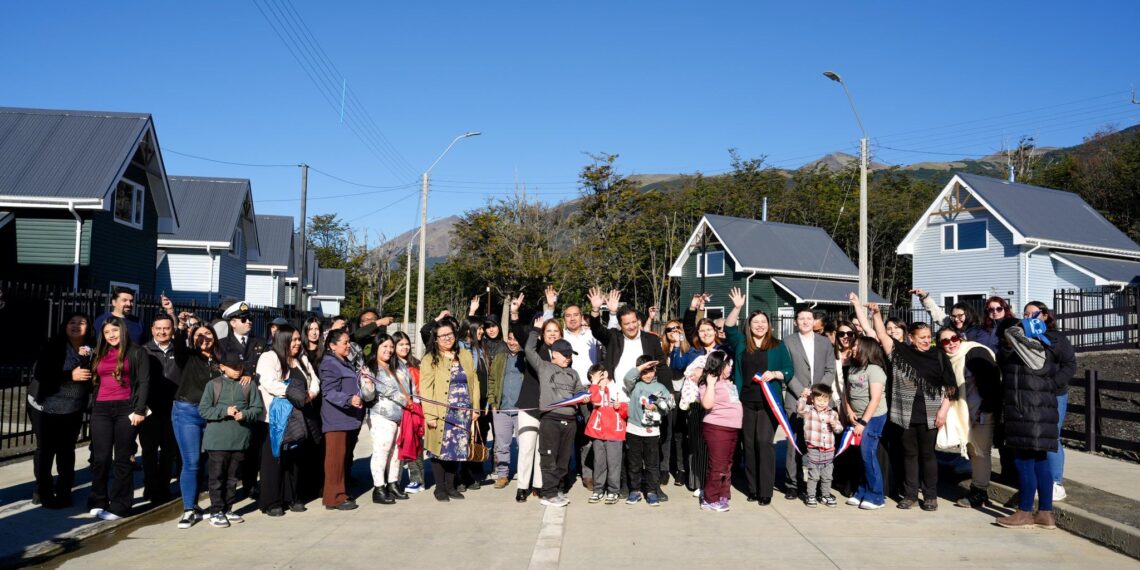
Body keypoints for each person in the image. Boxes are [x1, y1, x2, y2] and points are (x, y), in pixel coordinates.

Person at [855, 295, 957, 512]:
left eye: (928, 336)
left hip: (931, 414)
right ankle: (910, 494)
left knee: (928, 455)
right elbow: (881, 334)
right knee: (909, 455)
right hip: (904, 413)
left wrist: (943, 412)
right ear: (911, 337)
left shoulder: (938, 356)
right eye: (921, 337)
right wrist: (875, 314)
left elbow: (950, 387)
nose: (925, 340)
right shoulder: (900, 352)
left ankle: (930, 496)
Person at [994, 303, 1064, 530]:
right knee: (1040, 461)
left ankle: (1024, 512)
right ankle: (1045, 514)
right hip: (1038, 413)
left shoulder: (1032, 348)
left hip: (1028, 414)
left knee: (1023, 462)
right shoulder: (1040, 347)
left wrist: (1024, 323)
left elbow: (1012, 333)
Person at [723, 287, 793, 505]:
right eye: (755, 322)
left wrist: (776, 374)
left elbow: (789, 370)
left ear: (769, 325)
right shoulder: (742, 344)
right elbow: (728, 327)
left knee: (764, 443)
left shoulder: (778, 346)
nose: (760, 325)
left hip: (768, 404)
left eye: (763, 322)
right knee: (750, 445)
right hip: (746, 402)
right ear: (750, 326)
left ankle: (766, 491)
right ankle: (752, 489)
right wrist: (737, 308)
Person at [28, 311, 95, 509]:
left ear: (88, 327)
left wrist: (88, 357)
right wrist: (69, 375)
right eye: (72, 322)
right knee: (45, 450)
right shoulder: (54, 346)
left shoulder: (91, 348)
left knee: (66, 450)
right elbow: (41, 373)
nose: (76, 325)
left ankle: (64, 491)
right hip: (45, 406)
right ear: (65, 326)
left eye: (81, 322)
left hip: (73, 408)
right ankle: (43, 490)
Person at [87, 316, 149, 521]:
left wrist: (140, 410)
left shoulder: (137, 352)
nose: (111, 335)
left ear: (122, 331)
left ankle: (120, 505)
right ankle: (98, 500)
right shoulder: (100, 353)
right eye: (106, 333)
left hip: (126, 409)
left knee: (122, 458)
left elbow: (144, 382)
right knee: (100, 458)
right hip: (101, 410)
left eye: (114, 331)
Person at [255, 324, 318, 516]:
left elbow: (314, 380)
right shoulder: (269, 357)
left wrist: (310, 395)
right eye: (295, 340)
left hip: (299, 417)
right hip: (274, 420)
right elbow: (268, 382)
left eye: (299, 339)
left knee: (295, 459)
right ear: (283, 340)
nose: (298, 343)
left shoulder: (302, 359)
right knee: (275, 460)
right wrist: (293, 393)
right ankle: (273, 501)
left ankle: (293, 497)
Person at [935, 327, 1000, 509]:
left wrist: (986, 409)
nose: (951, 343)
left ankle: (979, 491)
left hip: (982, 411)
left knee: (980, 452)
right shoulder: (948, 360)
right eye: (945, 341)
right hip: (966, 413)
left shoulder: (974, 352)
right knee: (973, 450)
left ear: (960, 338)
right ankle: (978, 489)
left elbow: (992, 382)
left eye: (954, 338)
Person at [199, 354, 264, 527]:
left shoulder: (248, 384)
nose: (238, 371)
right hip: (217, 441)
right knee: (217, 477)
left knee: (232, 478)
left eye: (240, 367)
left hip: (239, 439)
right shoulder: (213, 385)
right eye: (234, 367)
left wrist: (245, 414)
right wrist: (224, 411)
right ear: (222, 367)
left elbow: (257, 408)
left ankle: (227, 508)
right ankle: (216, 510)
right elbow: (204, 410)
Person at [782, 306, 837, 502]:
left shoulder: (824, 342)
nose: (805, 321)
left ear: (814, 321)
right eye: (801, 318)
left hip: (821, 400)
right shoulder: (787, 342)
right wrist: (800, 391)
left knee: (821, 443)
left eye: (809, 318)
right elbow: (785, 370)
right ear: (796, 322)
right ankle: (792, 484)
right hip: (796, 398)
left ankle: (822, 485)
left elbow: (831, 369)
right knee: (794, 441)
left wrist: (818, 392)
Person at [524, 326, 582, 508]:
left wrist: (584, 395)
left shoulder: (574, 373)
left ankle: (557, 489)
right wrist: (535, 331)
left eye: (570, 355)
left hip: (570, 422)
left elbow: (579, 390)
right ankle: (548, 494)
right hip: (550, 420)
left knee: (563, 460)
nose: (568, 358)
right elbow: (528, 350)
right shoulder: (544, 367)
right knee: (549, 458)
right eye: (565, 354)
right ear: (554, 354)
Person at [421, 321, 479, 502]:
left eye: (450, 334)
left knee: (457, 450)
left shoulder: (465, 355)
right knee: (439, 451)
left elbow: (474, 382)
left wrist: (475, 408)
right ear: (436, 339)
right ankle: (440, 488)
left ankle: (451, 485)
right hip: (440, 412)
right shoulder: (430, 359)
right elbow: (425, 388)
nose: (447, 338)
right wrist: (430, 414)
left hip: (462, 413)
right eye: (443, 336)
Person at [171, 324, 221, 529]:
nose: (203, 337)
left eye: (208, 333)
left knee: (208, 461)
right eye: (198, 334)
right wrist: (181, 329)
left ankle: (212, 506)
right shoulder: (189, 356)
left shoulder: (220, 359)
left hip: (213, 414)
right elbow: (178, 346)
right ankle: (189, 509)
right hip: (187, 412)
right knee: (191, 462)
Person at [140, 299, 187, 505]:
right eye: (158, 328)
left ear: (172, 329)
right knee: (149, 452)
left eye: (166, 328)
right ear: (152, 330)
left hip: (173, 408)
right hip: (150, 409)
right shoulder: (144, 351)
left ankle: (164, 487)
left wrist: (173, 314)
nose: (162, 332)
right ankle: (150, 488)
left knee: (169, 451)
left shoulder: (180, 350)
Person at [507, 293, 552, 501]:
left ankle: (539, 485)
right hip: (528, 403)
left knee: (543, 450)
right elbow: (517, 331)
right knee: (526, 448)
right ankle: (522, 486)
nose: (549, 333)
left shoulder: (561, 351)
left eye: (552, 329)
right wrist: (514, 313)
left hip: (550, 406)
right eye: (543, 327)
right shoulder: (533, 347)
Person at [361, 333, 415, 505]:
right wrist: (369, 386)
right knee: (382, 451)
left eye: (391, 346)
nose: (389, 350)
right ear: (376, 347)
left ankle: (393, 483)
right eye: (385, 346)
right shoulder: (370, 368)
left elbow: (410, 387)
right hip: (381, 416)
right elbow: (368, 396)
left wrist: (412, 401)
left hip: (403, 415)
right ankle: (379, 488)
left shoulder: (399, 365)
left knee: (396, 453)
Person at [1031, 302, 1076, 502]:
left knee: (1052, 436)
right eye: (1026, 313)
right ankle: (1040, 480)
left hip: (1054, 394)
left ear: (1046, 315)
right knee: (1035, 437)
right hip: (1032, 394)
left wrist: (1053, 384)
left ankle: (1056, 482)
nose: (1030, 316)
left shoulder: (1058, 339)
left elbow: (1069, 365)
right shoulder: (1024, 339)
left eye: (1034, 313)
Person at [318, 328, 364, 511]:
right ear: (332, 345)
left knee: (342, 458)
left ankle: (340, 492)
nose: (348, 346)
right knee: (335, 459)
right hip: (336, 419)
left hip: (347, 418)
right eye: (344, 343)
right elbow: (329, 392)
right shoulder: (329, 363)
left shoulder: (344, 361)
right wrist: (348, 399)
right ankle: (333, 498)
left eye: (348, 342)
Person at [844, 337, 890, 510]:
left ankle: (877, 496)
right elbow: (846, 393)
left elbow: (876, 399)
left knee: (867, 453)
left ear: (867, 349)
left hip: (874, 417)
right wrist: (849, 411)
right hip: (857, 418)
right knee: (860, 456)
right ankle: (862, 490)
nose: (853, 348)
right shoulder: (853, 368)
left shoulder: (875, 370)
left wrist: (863, 422)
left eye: (856, 345)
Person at [623, 356, 673, 507]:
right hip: (633, 430)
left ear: (655, 370)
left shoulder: (661, 388)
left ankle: (651, 492)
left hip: (652, 432)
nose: (648, 375)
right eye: (644, 372)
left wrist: (657, 407)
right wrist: (641, 367)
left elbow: (669, 406)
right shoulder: (634, 385)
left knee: (652, 464)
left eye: (650, 371)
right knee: (634, 463)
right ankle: (635, 491)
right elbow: (627, 378)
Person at [697, 351, 741, 512]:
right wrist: (710, 384)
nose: (730, 367)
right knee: (718, 465)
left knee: (727, 464)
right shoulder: (709, 383)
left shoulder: (729, 383)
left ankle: (723, 494)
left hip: (732, 428)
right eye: (727, 364)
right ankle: (710, 499)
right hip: (717, 428)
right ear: (719, 365)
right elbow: (707, 405)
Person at [487, 330, 526, 490]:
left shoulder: (526, 358)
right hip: (502, 408)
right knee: (502, 444)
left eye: (515, 339)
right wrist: (492, 401)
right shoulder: (500, 358)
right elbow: (492, 379)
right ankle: (502, 474)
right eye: (510, 339)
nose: (512, 342)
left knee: (523, 444)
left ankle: (525, 475)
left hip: (522, 409)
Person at [584, 364, 628, 505]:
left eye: (599, 376)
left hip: (614, 432)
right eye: (594, 378)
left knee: (614, 463)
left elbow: (627, 411)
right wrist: (595, 384)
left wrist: (620, 407)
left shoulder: (619, 388)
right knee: (599, 462)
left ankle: (613, 490)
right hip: (598, 432)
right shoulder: (595, 389)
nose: (597, 380)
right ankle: (598, 489)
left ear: (606, 374)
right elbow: (595, 401)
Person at [796, 384, 844, 508]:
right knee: (814, 475)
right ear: (813, 399)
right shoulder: (808, 411)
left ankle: (825, 495)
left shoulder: (832, 413)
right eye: (819, 400)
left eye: (825, 400)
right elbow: (799, 409)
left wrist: (835, 426)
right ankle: (811, 495)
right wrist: (803, 396)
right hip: (814, 448)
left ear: (829, 400)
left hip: (829, 449)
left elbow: (839, 429)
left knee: (827, 475)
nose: (822, 403)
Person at [661, 318, 694, 487]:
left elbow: (680, 366)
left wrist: (678, 345)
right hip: (667, 394)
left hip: (683, 395)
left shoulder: (688, 350)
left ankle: (681, 470)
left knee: (680, 434)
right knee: (666, 433)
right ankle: (664, 469)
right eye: (669, 329)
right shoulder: (663, 350)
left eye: (676, 328)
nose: (673, 331)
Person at [392, 331, 425, 494]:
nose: (405, 347)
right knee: (401, 447)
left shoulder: (416, 364)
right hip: (398, 409)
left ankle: (417, 480)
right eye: (400, 344)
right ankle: (397, 480)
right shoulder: (391, 366)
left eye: (406, 344)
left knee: (415, 444)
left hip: (415, 408)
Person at [913, 289, 981, 341]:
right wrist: (924, 297)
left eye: (960, 316)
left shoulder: (979, 331)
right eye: (953, 316)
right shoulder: (950, 323)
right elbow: (937, 313)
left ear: (968, 315)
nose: (956, 319)